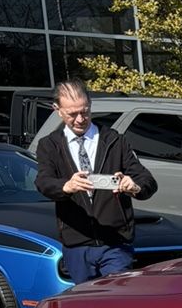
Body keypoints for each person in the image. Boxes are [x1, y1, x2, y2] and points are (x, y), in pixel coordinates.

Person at [33, 81, 157, 281]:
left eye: (85, 111)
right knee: (86, 303)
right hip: (77, 241)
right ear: (58, 110)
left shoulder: (114, 140)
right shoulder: (49, 145)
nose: (81, 119)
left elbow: (147, 180)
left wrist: (134, 186)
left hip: (115, 240)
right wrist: (66, 186)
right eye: (72, 114)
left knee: (116, 297)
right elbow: (43, 182)